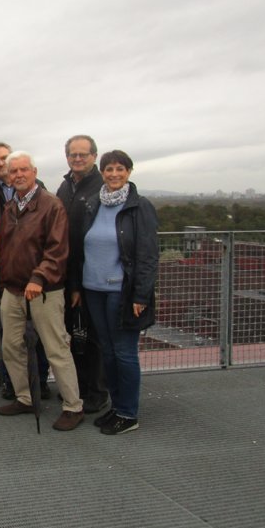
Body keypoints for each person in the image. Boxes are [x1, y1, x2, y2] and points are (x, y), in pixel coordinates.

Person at [70, 150, 158, 435]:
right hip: (93, 289)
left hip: (122, 291)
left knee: (124, 352)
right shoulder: (94, 204)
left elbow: (148, 255)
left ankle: (128, 413)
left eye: (120, 169)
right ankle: (117, 406)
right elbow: (82, 247)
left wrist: (141, 295)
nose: (114, 174)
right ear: (102, 172)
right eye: (109, 169)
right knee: (107, 352)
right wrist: (78, 285)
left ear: (129, 172)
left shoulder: (139, 207)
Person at [0, 151, 84, 431]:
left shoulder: (51, 205)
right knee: (10, 346)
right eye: (13, 171)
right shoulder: (10, 207)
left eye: (24, 169)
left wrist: (39, 277)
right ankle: (26, 397)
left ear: (34, 172)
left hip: (44, 290)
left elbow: (57, 249)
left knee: (56, 348)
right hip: (13, 289)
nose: (19, 175)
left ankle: (73, 406)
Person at [0, 142, 51, 401]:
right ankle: (13, 383)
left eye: (4, 159)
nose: (0, 164)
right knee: (9, 333)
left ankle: (40, 382)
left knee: (37, 333)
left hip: (34, 275)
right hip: (5, 274)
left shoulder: (37, 190)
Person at [56, 135, 110, 413]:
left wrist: (77, 283)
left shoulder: (102, 187)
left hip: (93, 274)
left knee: (93, 336)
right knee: (72, 333)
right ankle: (77, 387)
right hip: (67, 273)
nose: (77, 159)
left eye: (83, 154)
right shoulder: (65, 186)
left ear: (94, 156)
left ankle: (97, 392)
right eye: (73, 154)